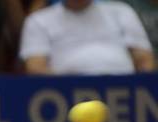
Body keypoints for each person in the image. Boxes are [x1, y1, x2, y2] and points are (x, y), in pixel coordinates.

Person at [20, 0, 155, 74]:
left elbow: (145, 60)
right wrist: (76, 84)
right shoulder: (38, 20)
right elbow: (35, 67)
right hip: (65, 94)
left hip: (125, 92)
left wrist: (138, 86)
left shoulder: (122, 11)